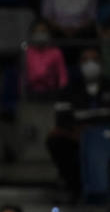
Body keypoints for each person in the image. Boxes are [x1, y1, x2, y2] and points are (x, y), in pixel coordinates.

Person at [45, 46, 110, 194]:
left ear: (101, 62)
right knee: (56, 141)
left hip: (107, 138)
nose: (90, 64)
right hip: (79, 138)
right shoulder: (69, 90)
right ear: (79, 64)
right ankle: (75, 188)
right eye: (85, 60)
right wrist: (80, 134)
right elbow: (62, 120)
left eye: (94, 59)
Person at [21, 20, 67, 98]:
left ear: (48, 33)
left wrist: (61, 93)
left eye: (43, 31)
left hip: (51, 92)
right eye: (37, 31)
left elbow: (62, 75)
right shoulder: (26, 52)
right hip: (31, 93)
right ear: (32, 34)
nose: (40, 34)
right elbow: (22, 76)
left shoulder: (55, 52)